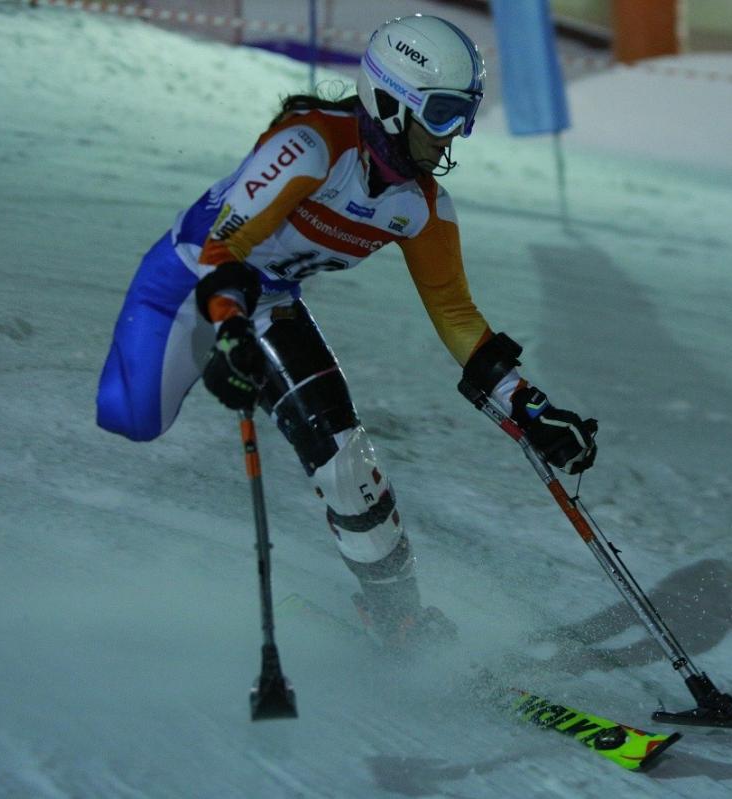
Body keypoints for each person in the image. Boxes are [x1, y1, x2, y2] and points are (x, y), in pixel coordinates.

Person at [95, 14, 598, 649]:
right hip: (188, 283)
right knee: (132, 420)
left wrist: (531, 407)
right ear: (391, 102)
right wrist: (223, 330)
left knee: (347, 464)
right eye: (442, 114)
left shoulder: (423, 205)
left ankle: (400, 621)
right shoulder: (311, 146)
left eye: (462, 116)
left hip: (269, 303)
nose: (453, 136)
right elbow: (221, 245)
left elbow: (456, 314)